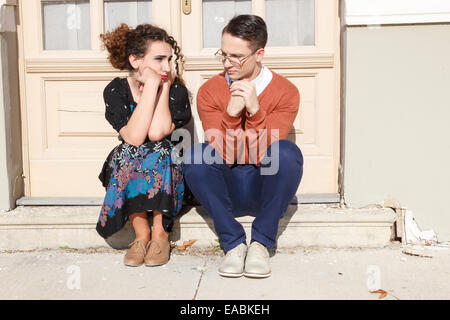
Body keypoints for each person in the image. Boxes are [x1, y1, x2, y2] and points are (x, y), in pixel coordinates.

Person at [183, 15, 303, 278]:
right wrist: (231, 114)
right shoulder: (210, 91)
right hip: (226, 190)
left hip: (264, 190)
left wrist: (256, 110)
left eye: (237, 57)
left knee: (287, 153)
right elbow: (222, 152)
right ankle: (233, 243)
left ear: (259, 54)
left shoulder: (286, 91)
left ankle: (261, 243)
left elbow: (267, 154)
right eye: (223, 54)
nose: (228, 63)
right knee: (195, 156)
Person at [96, 23, 191, 267]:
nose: (166, 67)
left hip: (168, 165)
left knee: (159, 150)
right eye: (159, 59)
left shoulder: (176, 90)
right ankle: (141, 236)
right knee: (128, 151)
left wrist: (163, 86)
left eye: (169, 59)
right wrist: (150, 87)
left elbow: (157, 133)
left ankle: (160, 235)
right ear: (135, 61)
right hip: (129, 161)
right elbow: (135, 136)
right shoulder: (116, 89)